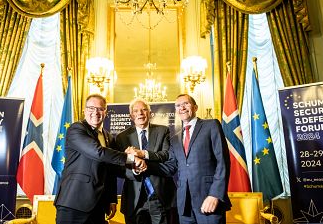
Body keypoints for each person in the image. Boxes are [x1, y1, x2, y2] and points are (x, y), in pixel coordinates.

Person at [54, 94, 147, 224]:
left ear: (106, 112)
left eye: (100, 109)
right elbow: (98, 152)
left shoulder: (109, 137)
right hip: (73, 204)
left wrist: (112, 199)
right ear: (85, 111)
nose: (95, 113)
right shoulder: (77, 129)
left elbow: (112, 171)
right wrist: (131, 159)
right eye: (91, 108)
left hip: (98, 205)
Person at [154, 94, 231, 224]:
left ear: (195, 107)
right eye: (178, 105)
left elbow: (223, 162)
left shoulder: (211, 125)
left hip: (209, 200)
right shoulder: (175, 138)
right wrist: (143, 163)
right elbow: (170, 167)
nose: (182, 108)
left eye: (186, 104)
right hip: (185, 205)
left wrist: (215, 194)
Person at [115, 98, 177, 224]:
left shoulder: (162, 131)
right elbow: (119, 167)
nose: (140, 113)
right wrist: (136, 169)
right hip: (134, 198)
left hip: (159, 196)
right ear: (131, 115)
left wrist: (142, 153)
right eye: (136, 111)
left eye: (144, 110)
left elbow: (165, 155)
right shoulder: (122, 137)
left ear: (150, 113)